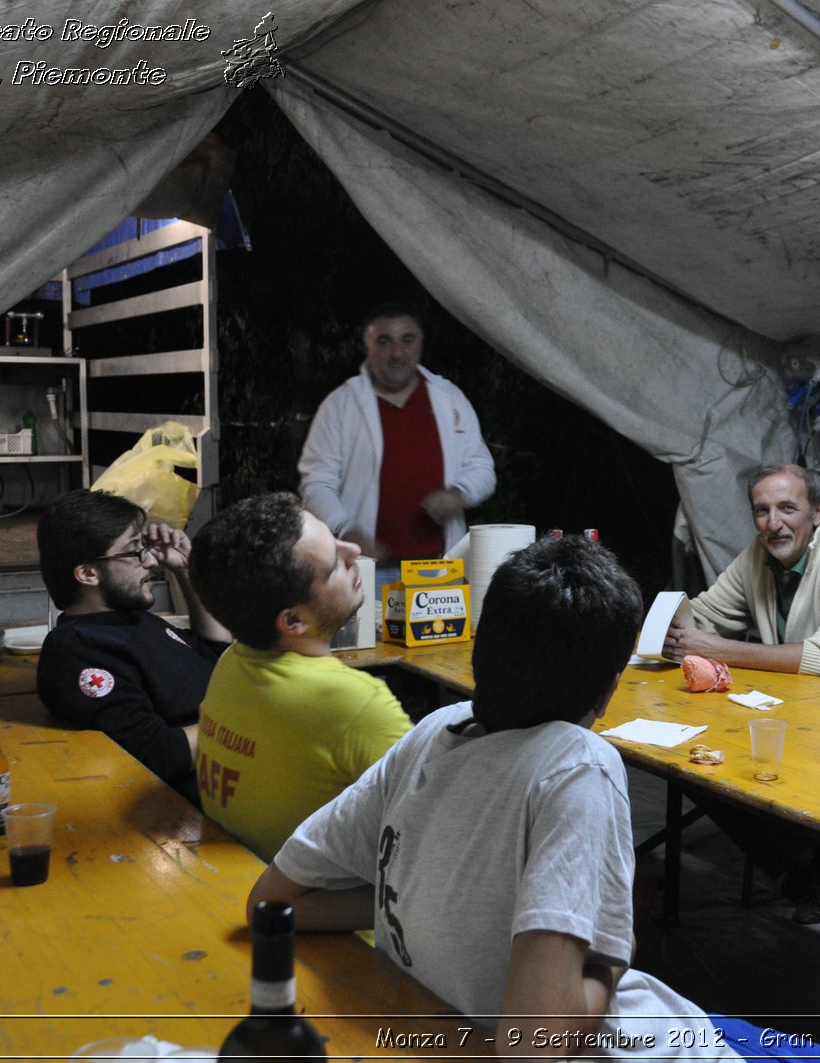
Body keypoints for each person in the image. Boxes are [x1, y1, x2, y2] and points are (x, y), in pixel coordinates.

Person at [245, 536, 820, 1063]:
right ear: (609, 691)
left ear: (480, 648)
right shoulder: (577, 766)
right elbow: (532, 1045)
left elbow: (271, 903)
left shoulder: (432, 735)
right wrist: (611, 955)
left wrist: (421, 893)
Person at [189, 492, 412, 862]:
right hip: (329, 913)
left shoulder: (234, 661)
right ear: (294, 621)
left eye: (336, 538)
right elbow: (438, 823)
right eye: (334, 566)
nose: (353, 550)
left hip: (255, 880)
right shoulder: (354, 702)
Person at [36, 489, 229, 807]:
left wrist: (185, 569)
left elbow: (216, 655)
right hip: (202, 802)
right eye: (134, 552)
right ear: (87, 573)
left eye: (146, 548)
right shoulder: (77, 649)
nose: (152, 561)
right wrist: (255, 725)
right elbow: (160, 752)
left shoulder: (134, 620)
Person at [297, 303, 496, 562]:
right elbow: (317, 483)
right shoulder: (340, 406)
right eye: (384, 341)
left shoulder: (449, 398)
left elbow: (482, 467)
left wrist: (458, 493)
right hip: (366, 568)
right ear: (367, 346)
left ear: (420, 343)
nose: (397, 353)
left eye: (407, 339)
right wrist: (345, 529)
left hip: (441, 565)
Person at [667, 463, 820, 678]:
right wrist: (671, 631)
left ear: (817, 513)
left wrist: (721, 651)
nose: (773, 524)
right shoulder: (758, 554)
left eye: (787, 508)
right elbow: (705, 616)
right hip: (797, 698)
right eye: (762, 510)